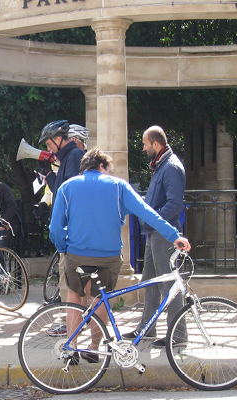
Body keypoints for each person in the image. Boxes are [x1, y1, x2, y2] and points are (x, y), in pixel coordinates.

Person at [49, 148, 191, 362]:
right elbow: (147, 212)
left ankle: (72, 348)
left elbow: (55, 230)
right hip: (109, 256)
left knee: (75, 295)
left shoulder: (67, 187)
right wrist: (173, 235)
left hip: (77, 253)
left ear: (84, 168)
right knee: (99, 298)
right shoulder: (118, 186)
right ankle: (95, 347)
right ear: (102, 167)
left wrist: (63, 248)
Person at [122, 126, 188, 348]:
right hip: (154, 233)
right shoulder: (161, 165)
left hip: (163, 233)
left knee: (168, 283)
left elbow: (175, 203)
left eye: (145, 144)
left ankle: (178, 335)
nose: (143, 148)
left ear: (156, 145)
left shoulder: (170, 167)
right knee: (149, 281)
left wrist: (153, 219)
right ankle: (147, 328)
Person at [38, 120, 87, 305]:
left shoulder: (75, 156)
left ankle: (69, 322)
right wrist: (49, 175)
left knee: (68, 282)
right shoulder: (69, 158)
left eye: (50, 144)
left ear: (59, 138)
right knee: (72, 281)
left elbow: (72, 197)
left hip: (71, 232)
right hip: (70, 231)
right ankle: (75, 321)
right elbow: (60, 191)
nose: (49, 149)